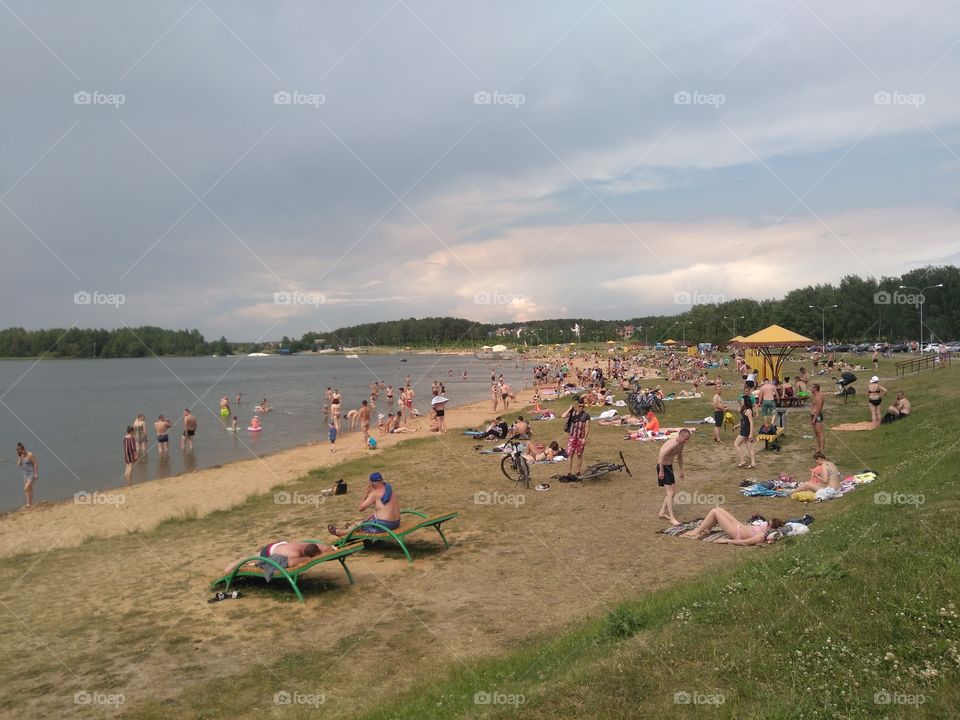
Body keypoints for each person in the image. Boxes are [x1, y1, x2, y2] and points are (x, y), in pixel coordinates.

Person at [328, 472, 401, 537]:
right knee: (365, 521)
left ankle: (340, 532)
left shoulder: (375, 494)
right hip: (396, 523)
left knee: (360, 525)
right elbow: (384, 509)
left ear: (371, 484)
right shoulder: (389, 490)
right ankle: (351, 527)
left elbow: (360, 508)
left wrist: (366, 493)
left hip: (385, 526)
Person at [681, 507, 784, 545]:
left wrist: (727, 541)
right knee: (718, 509)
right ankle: (707, 528)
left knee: (714, 512)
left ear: (772, 529)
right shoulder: (766, 529)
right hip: (739, 526)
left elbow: (744, 542)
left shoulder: (761, 536)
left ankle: (697, 531)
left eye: (768, 525)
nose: (766, 525)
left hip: (736, 533)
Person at [223, 540, 334, 575]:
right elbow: (291, 563)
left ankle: (242, 563)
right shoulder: (295, 553)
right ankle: (232, 565)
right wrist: (307, 559)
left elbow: (326, 548)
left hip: (282, 544)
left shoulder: (310, 546)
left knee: (253, 558)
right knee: (252, 558)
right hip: (269, 551)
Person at [656, 428, 691, 526]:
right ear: (680, 436)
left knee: (673, 492)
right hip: (662, 466)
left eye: (688, 439)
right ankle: (672, 518)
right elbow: (661, 456)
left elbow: (679, 456)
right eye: (685, 439)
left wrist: (681, 469)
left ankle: (662, 512)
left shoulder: (681, 443)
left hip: (669, 467)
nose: (686, 441)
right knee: (670, 492)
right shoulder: (673, 443)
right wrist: (661, 471)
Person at [562, 397, 591, 475]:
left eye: (583, 406)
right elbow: (563, 416)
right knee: (570, 455)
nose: (581, 407)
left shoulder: (586, 415)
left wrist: (585, 438)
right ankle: (569, 473)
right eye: (580, 406)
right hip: (572, 437)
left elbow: (587, 427)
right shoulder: (572, 412)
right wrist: (570, 409)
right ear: (577, 405)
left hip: (580, 438)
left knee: (579, 455)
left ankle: (578, 472)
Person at [734, 396, 756, 469]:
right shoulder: (744, 409)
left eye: (742, 401)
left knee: (736, 444)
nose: (741, 402)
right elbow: (744, 421)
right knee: (749, 446)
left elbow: (751, 422)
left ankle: (742, 461)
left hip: (745, 431)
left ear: (746, 401)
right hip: (744, 429)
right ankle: (753, 463)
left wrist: (751, 434)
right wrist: (737, 426)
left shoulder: (748, 411)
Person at [16, 442, 37, 509]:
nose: (20, 452)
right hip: (25, 475)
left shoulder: (30, 454)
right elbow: (19, 465)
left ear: (23, 449)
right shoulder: (21, 456)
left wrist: (36, 473)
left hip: (31, 474)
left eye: (20, 450)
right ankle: (29, 504)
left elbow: (35, 464)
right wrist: (19, 457)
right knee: (29, 489)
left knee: (26, 488)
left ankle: (29, 504)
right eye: (18, 451)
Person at [809, 384, 825, 452]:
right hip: (814, 416)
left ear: (815, 388)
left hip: (817, 416)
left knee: (820, 433)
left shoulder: (819, 397)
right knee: (816, 433)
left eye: (811, 387)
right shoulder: (815, 396)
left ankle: (821, 449)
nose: (810, 388)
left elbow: (819, 408)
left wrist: (814, 418)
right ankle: (818, 447)